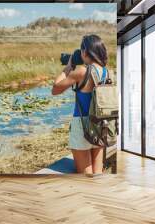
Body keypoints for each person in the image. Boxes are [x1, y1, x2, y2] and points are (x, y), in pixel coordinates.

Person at [52, 34, 109, 175]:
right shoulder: (106, 72)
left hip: (82, 125)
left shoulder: (82, 71)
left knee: (85, 175)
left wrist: (68, 66)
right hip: (101, 123)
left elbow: (55, 89)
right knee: (97, 172)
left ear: (84, 52)